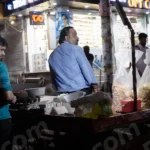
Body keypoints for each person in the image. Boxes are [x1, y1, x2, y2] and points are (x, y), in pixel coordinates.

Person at [49, 27, 99, 94]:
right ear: (66, 38)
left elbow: (53, 77)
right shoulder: (76, 49)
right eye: (75, 35)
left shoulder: (52, 55)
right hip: (81, 91)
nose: (77, 38)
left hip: (62, 93)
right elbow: (86, 69)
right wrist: (94, 85)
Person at [0, 37, 16, 148]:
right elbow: (9, 96)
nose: (3, 53)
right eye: (1, 49)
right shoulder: (1, 67)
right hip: (1, 119)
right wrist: (14, 97)